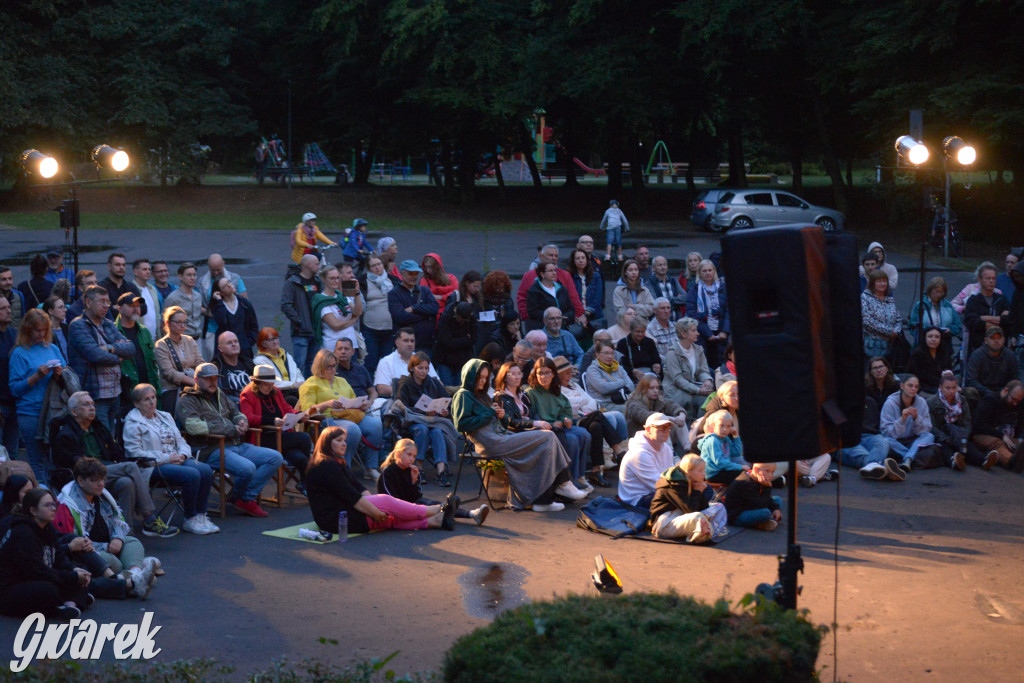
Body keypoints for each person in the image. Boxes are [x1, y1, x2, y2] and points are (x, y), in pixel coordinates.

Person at [451, 359, 584, 512]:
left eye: (485, 378)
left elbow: (499, 423)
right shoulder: (463, 395)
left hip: (501, 437)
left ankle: (546, 497)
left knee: (548, 438)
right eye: (479, 377)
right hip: (491, 443)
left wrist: (500, 416)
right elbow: (461, 425)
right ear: (469, 376)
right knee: (547, 437)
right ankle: (561, 485)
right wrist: (490, 413)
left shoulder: (479, 395)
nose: (482, 381)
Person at [52, 391, 178, 537]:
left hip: (106, 471)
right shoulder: (66, 435)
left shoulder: (98, 427)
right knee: (130, 468)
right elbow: (77, 466)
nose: (92, 408)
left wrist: (126, 461)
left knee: (126, 482)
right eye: (86, 405)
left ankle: (126, 534)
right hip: (84, 476)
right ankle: (149, 517)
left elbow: (117, 453)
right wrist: (121, 466)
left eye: (93, 404)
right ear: (74, 412)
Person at [177, 363, 284, 517]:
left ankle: (244, 498)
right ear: (196, 379)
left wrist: (242, 421)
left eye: (215, 378)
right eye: (208, 379)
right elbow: (194, 427)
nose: (213, 382)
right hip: (211, 448)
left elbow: (236, 412)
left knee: (275, 457)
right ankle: (243, 498)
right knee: (247, 468)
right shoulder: (188, 400)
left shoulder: (219, 394)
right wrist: (230, 429)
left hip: (235, 443)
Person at [306, 426, 454, 534]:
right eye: (339, 441)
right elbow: (351, 495)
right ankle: (438, 509)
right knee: (386, 501)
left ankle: (434, 521)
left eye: (345, 440)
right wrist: (375, 511)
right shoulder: (326, 465)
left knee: (387, 514)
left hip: (343, 512)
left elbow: (357, 486)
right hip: (335, 519)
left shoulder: (337, 462)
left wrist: (374, 505)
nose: (344, 444)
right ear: (327, 443)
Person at [122, 384, 219, 535]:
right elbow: (133, 452)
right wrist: (167, 458)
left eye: (153, 398)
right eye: (146, 399)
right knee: (191, 474)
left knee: (205, 470)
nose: (151, 402)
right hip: (152, 466)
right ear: (136, 403)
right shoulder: (132, 422)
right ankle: (190, 518)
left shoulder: (164, 416)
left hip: (177, 459)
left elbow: (181, 440)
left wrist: (183, 455)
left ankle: (201, 515)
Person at [55, 458, 159, 593]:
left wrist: (117, 539)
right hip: (93, 550)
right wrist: (106, 546)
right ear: (80, 481)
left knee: (132, 541)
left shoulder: (103, 496)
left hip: (110, 542)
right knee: (113, 563)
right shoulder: (69, 504)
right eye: (95, 480)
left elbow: (119, 522)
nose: (101, 484)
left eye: (103, 479)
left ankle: (135, 574)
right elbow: (76, 543)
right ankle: (137, 573)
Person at [0, 487, 94, 620]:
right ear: (33, 510)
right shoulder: (23, 534)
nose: (53, 508)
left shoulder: (47, 526)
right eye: (47, 505)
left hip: (36, 577)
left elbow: (59, 557)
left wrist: (73, 569)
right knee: (49, 590)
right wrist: (72, 577)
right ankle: (68, 601)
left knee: (81, 569)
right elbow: (36, 571)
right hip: (11, 588)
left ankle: (70, 604)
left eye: (54, 504)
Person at [299, 350, 383, 479]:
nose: (333, 370)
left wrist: (361, 404)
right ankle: (344, 469)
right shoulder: (310, 384)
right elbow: (306, 412)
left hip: (348, 415)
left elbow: (353, 399)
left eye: (335, 366)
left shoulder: (341, 381)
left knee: (375, 424)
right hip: (326, 420)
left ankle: (371, 467)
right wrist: (326, 404)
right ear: (320, 367)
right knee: (351, 429)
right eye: (329, 366)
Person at [8, 309, 66, 484]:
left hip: (53, 411)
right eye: (36, 330)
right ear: (27, 329)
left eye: (43, 330)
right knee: (37, 460)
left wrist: (58, 374)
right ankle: (44, 499)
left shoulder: (53, 348)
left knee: (54, 459)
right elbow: (15, 389)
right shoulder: (19, 353)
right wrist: (36, 376)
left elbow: (66, 378)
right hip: (31, 412)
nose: (41, 334)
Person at [68, 285, 135, 435]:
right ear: (88, 302)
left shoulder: (108, 324)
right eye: (101, 301)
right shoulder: (78, 325)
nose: (106, 306)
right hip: (94, 396)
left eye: (107, 302)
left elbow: (131, 348)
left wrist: (111, 347)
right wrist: (118, 357)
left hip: (115, 393)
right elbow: (95, 355)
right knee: (102, 439)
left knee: (112, 438)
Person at [376, 439, 489, 524]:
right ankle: (453, 511)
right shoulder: (388, 473)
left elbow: (416, 495)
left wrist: (413, 481)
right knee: (429, 507)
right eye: (409, 455)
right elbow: (390, 500)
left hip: (411, 504)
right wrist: (410, 505)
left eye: (414, 456)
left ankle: (472, 514)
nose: (411, 459)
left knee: (432, 503)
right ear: (398, 454)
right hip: (396, 509)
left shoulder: (410, 470)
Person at [525, 358, 594, 494]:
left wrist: (565, 419)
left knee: (584, 434)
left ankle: (580, 476)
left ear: (553, 374)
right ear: (535, 375)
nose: (544, 377)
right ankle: (570, 479)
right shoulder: (530, 393)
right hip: (545, 429)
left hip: (560, 426)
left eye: (548, 373)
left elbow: (565, 411)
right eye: (541, 373)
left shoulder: (556, 391)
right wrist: (552, 423)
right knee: (573, 440)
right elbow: (533, 416)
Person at [240, 365, 313, 491]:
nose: (270, 386)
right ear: (257, 383)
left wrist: (299, 416)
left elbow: (286, 408)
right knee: (304, 438)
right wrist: (271, 421)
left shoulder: (275, 391)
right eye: (266, 384)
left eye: (271, 383)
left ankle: (304, 483)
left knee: (301, 459)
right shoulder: (247, 394)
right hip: (261, 437)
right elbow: (248, 417)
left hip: (280, 437)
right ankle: (308, 482)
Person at [554, 356, 623, 486]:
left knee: (596, 425)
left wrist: (580, 403)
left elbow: (591, 403)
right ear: (558, 376)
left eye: (570, 372)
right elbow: (570, 407)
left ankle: (596, 471)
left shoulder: (574, 385)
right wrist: (582, 402)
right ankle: (619, 450)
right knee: (597, 415)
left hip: (585, 418)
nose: (570, 376)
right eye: (566, 373)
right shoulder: (557, 389)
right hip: (570, 421)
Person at [397, 351, 458, 486]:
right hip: (415, 420)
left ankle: (441, 471)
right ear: (412, 368)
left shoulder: (433, 383)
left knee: (437, 432)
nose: (424, 371)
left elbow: (447, 401)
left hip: (434, 420)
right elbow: (402, 407)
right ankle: (419, 468)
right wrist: (422, 411)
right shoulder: (405, 384)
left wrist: (444, 411)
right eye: (420, 368)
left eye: (426, 368)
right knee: (422, 429)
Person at [843, 358, 898, 480]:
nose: (878, 370)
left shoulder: (870, 400)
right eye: (875, 368)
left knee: (882, 442)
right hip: (849, 438)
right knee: (857, 452)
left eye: (881, 367)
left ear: (887, 368)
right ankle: (878, 466)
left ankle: (874, 466)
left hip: (871, 434)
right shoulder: (842, 400)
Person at [928, 371, 995, 471]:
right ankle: (954, 461)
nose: (951, 391)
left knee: (968, 446)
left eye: (954, 388)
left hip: (958, 433)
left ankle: (983, 461)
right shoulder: (931, 402)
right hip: (942, 436)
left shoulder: (962, 400)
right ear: (940, 387)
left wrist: (963, 436)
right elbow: (931, 426)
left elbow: (967, 421)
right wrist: (946, 438)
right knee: (944, 448)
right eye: (948, 388)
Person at [650, 455, 721, 542]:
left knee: (719, 507)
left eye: (704, 469)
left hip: (681, 515)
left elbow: (702, 508)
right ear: (688, 471)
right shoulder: (674, 485)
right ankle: (705, 530)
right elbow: (690, 510)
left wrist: (700, 492)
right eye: (700, 471)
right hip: (665, 523)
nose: (704, 474)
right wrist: (697, 492)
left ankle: (707, 529)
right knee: (698, 517)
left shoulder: (691, 480)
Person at [515, 244, 585, 326]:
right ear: (542, 256)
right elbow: (522, 299)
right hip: (536, 323)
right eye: (551, 255)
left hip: (561, 323)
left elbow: (573, 298)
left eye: (556, 256)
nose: (554, 258)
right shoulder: (529, 276)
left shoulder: (565, 275)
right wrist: (527, 317)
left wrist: (579, 315)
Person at [617, 413, 676, 509]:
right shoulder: (639, 454)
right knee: (677, 497)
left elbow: (671, 476)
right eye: (662, 428)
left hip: (657, 492)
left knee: (703, 490)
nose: (666, 431)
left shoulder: (666, 448)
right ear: (648, 430)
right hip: (636, 500)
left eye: (668, 428)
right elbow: (659, 484)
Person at [114, 292, 161, 410]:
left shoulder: (144, 331)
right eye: (131, 305)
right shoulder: (113, 332)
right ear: (119, 308)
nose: (136, 309)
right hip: (127, 394)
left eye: (138, 306)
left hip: (149, 391)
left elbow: (153, 363)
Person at [880, 375, 936, 473]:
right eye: (910, 385)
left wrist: (916, 418)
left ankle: (908, 459)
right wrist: (902, 420)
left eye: (916, 386)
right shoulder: (890, 403)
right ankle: (910, 457)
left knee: (929, 436)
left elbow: (926, 428)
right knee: (884, 440)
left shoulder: (921, 402)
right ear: (902, 386)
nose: (913, 389)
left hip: (914, 440)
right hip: (896, 442)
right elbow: (886, 432)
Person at [198, 254, 248, 361]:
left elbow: (245, 303)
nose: (216, 273)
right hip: (212, 329)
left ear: (224, 264)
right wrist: (211, 314)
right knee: (214, 361)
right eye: (212, 270)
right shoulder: (202, 282)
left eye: (218, 270)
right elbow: (198, 305)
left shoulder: (235, 279)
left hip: (234, 329)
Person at [154, 305, 203, 414]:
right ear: (168, 323)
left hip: (194, 387)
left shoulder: (189, 340)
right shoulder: (161, 345)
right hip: (172, 389)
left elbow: (200, 363)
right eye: (179, 322)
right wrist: (195, 384)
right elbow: (169, 373)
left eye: (184, 322)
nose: (182, 325)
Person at [662, 317, 714, 417]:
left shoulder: (698, 350)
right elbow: (678, 380)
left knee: (712, 399)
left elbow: (703, 370)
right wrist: (698, 390)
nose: (698, 333)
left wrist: (707, 380)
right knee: (699, 400)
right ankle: (694, 428)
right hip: (676, 391)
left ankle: (701, 428)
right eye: (693, 331)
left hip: (692, 387)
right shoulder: (672, 353)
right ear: (683, 334)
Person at [280, 254, 322, 377]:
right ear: (308, 265)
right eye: (316, 263)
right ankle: (296, 391)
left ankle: (310, 389)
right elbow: (286, 305)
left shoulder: (317, 281)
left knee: (313, 365)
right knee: (299, 365)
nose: (319, 266)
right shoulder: (292, 282)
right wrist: (299, 322)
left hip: (316, 331)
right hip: (301, 333)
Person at [624, 374, 689, 452]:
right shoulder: (633, 403)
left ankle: (689, 448)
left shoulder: (659, 400)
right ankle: (670, 453)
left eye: (657, 388)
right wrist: (668, 418)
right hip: (642, 439)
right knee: (661, 421)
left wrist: (681, 414)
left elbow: (673, 406)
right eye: (651, 388)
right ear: (643, 389)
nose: (655, 391)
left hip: (656, 436)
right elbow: (645, 416)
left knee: (679, 419)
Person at [970, 380, 1024, 472]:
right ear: (1005, 391)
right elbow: (977, 425)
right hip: (982, 434)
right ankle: (1011, 462)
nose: (1015, 403)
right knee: (997, 443)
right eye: (1013, 399)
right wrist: (1001, 436)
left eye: (1018, 401)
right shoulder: (989, 400)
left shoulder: (1018, 404)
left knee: (1019, 444)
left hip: (1007, 437)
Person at [686, 259, 729, 368]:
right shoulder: (694, 290)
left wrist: (725, 331)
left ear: (714, 271)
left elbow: (729, 311)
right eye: (704, 271)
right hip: (702, 335)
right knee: (707, 366)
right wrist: (708, 333)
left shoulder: (723, 288)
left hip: (722, 334)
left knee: (724, 365)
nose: (708, 273)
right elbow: (692, 314)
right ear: (699, 273)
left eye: (710, 270)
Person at [962, 263, 1012, 358]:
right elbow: (972, 321)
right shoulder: (973, 300)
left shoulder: (1001, 299)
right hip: (978, 350)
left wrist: (985, 318)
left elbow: (1009, 319)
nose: (991, 281)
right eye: (988, 278)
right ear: (980, 280)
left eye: (993, 278)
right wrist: (998, 320)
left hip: (1000, 351)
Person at [388, 260, 439, 351]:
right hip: (405, 345)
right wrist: (426, 315)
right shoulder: (394, 294)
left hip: (426, 344)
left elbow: (435, 308)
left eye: (416, 273)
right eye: (411, 273)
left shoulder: (425, 290)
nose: (414, 277)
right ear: (402, 274)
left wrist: (414, 308)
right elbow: (400, 317)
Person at [312, 264, 362, 357]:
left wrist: (357, 293)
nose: (336, 281)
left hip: (351, 345)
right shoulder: (322, 300)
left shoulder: (341, 295)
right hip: (333, 348)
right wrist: (353, 320)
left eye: (338, 278)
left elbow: (357, 312)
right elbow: (335, 325)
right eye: (332, 278)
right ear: (324, 279)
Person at [374, 328, 439, 398]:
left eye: (412, 341)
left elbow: (438, 383)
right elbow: (381, 388)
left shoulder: (423, 359)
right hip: (396, 402)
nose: (410, 344)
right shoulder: (386, 361)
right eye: (406, 341)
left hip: (424, 401)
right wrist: (408, 394)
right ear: (397, 343)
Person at [361, 254, 398, 374]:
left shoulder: (393, 280)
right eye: (373, 266)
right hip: (370, 329)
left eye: (379, 264)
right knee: (370, 364)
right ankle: (369, 390)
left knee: (387, 365)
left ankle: (386, 391)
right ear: (368, 268)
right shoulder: (362, 281)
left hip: (390, 329)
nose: (377, 268)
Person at [209, 277, 259, 360]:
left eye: (229, 282)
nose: (229, 285)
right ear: (220, 293)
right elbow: (223, 322)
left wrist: (247, 343)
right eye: (225, 286)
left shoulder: (244, 303)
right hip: (225, 352)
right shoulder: (218, 306)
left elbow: (253, 325)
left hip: (244, 350)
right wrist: (219, 301)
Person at [964, 326, 1019, 401]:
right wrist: (988, 392)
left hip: (1003, 392)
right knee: (969, 391)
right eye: (992, 338)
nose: (996, 341)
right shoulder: (977, 355)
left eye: (999, 338)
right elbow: (970, 380)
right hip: (982, 391)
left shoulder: (1010, 355)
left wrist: (1004, 391)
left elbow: (1015, 379)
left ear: (1003, 340)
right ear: (986, 340)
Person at [723, 463, 783, 531]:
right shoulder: (745, 482)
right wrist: (767, 488)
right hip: (737, 515)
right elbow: (760, 505)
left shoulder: (756, 477)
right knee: (765, 512)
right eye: (767, 471)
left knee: (778, 499)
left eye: (772, 472)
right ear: (756, 469)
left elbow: (763, 499)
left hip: (751, 506)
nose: (770, 475)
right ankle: (761, 523)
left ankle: (768, 519)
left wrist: (776, 508)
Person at [252, 327, 304, 404]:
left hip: (294, 390)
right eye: (271, 340)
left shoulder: (287, 356)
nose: (275, 342)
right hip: (276, 393)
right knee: (293, 400)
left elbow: (297, 373)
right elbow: (272, 382)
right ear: (263, 343)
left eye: (276, 338)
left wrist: (301, 384)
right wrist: (292, 385)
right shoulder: (259, 360)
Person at [861, 270, 902, 364]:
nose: (882, 284)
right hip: (873, 345)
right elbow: (866, 320)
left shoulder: (889, 299)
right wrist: (888, 331)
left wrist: (896, 331)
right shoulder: (865, 297)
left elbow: (898, 318)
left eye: (884, 281)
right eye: (878, 281)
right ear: (872, 283)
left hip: (890, 345)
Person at [433, 301, 478, 386]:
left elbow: (474, 339)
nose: (461, 322)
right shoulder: (446, 317)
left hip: (463, 360)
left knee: (460, 388)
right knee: (447, 389)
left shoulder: (471, 318)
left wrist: (455, 340)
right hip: (445, 359)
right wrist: (465, 339)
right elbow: (445, 342)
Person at [526, 261, 577, 334]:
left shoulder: (562, 289)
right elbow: (533, 312)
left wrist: (563, 318)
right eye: (550, 271)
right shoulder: (534, 291)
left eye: (555, 270)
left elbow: (571, 310)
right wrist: (552, 317)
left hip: (563, 329)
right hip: (543, 330)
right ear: (542, 274)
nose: (554, 273)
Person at [908, 276, 960, 347]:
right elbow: (912, 325)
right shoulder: (920, 305)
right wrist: (924, 335)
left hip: (943, 345)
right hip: (924, 345)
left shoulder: (948, 306)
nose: (938, 295)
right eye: (936, 291)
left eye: (942, 292)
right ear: (930, 290)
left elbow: (958, 326)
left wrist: (950, 330)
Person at [699, 409, 746, 485]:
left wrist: (736, 436)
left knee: (746, 474)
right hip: (713, 473)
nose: (725, 429)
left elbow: (736, 453)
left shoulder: (725, 438)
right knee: (743, 478)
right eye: (721, 425)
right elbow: (720, 463)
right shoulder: (712, 441)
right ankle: (731, 496)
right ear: (714, 426)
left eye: (728, 426)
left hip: (722, 470)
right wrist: (740, 466)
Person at [585, 339, 636, 408]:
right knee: (632, 410)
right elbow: (604, 388)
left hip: (623, 400)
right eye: (606, 353)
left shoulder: (618, 367)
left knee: (642, 406)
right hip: (605, 404)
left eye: (612, 353)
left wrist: (612, 385)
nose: (610, 356)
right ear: (597, 355)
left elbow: (631, 386)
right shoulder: (592, 370)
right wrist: (621, 382)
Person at [163, 262, 205, 344]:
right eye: (189, 275)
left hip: (197, 340)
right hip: (181, 340)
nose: (192, 278)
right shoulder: (173, 298)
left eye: (194, 275)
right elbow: (164, 323)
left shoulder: (198, 296)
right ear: (180, 277)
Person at [477, 270, 517, 354]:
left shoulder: (507, 299)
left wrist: (505, 317)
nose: (500, 290)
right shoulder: (482, 299)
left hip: (503, 334)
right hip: (486, 333)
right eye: (497, 288)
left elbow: (512, 318)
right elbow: (478, 316)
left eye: (502, 287)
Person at [906, 326, 953, 395]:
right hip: (921, 386)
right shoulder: (918, 354)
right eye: (930, 336)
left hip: (942, 384)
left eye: (937, 337)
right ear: (925, 338)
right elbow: (923, 376)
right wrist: (944, 382)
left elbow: (948, 369)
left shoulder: (943, 353)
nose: (933, 339)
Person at [567, 248, 605, 330]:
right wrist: (578, 315)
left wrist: (585, 314)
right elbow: (569, 299)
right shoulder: (569, 277)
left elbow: (597, 299)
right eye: (577, 258)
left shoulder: (596, 276)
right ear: (573, 261)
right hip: (576, 317)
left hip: (595, 316)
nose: (581, 260)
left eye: (583, 258)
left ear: (587, 260)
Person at [334, 338, 378, 407]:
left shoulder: (361, 369)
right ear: (335, 352)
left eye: (346, 349)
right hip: (344, 408)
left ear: (353, 352)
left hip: (366, 406)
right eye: (339, 349)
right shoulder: (331, 371)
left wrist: (370, 402)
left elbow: (373, 392)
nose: (343, 352)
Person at [213, 331, 255, 403]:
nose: (234, 344)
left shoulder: (249, 364)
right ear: (220, 348)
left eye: (236, 341)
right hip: (233, 406)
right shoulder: (216, 368)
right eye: (229, 343)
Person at [98, 253, 141, 321]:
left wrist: (117, 307)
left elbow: (143, 308)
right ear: (109, 266)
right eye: (117, 265)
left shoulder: (131, 287)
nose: (121, 267)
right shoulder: (101, 287)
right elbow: (107, 311)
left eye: (123, 265)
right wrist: (131, 306)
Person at [618, 317, 662, 381]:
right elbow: (620, 365)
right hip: (631, 377)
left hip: (650, 374)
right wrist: (632, 371)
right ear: (631, 330)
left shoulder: (649, 342)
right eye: (638, 332)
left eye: (643, 331)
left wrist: (656, 366)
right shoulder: (623, 344)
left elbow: (657, 359)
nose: (640, 334)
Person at [612, 259, 655, 323]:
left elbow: (652, 308)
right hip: (625, 324)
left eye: (636, 270)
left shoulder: (645, 290)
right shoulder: (619, 290)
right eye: (630, 270)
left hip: (643, 324)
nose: (634, 272)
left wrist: (635, 307)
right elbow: (619, 310)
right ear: (625, 272)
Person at [0, 297, 17, 457]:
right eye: (3, 308)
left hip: (14, 402)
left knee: (12, 452)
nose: (9, 310)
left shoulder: (14, 334)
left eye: (8, 306)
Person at [131, 259, 163, 337]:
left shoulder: (152, 289)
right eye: (144, 269)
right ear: (135, 272)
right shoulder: (130, 289)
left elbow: (157, 314)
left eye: (149, 269)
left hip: (155, 338)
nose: (148, 272)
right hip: (140, 338)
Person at [43, 295, 69, 362]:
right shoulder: (44, 332)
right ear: (51, 311)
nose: (65, 310)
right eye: (60, 307)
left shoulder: (66, 328)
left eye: (64, 307)